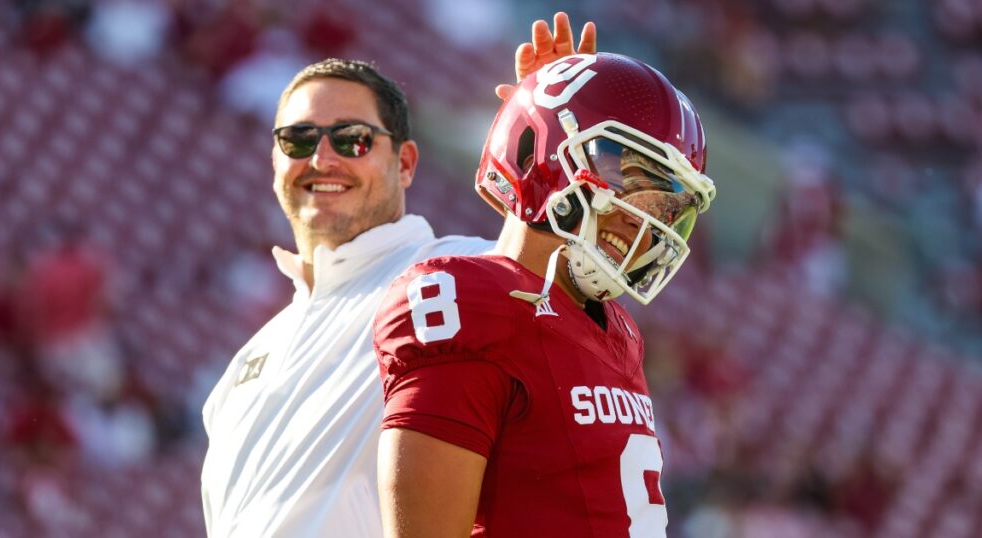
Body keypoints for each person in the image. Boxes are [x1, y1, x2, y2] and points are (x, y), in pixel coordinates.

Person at [200, 13, 597, 538]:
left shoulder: (456, 275)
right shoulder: (243, 367)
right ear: (275, 161)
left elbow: (571, 269)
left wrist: (565, 140)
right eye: (298, 140)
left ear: (406, 163)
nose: (322, 157)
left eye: (353, 139)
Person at [374, 53, 717, 537]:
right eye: (628, 178)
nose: (642, 218)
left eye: (663, 203)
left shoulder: (618, 330)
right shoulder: (468, 300)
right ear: (549, 149)